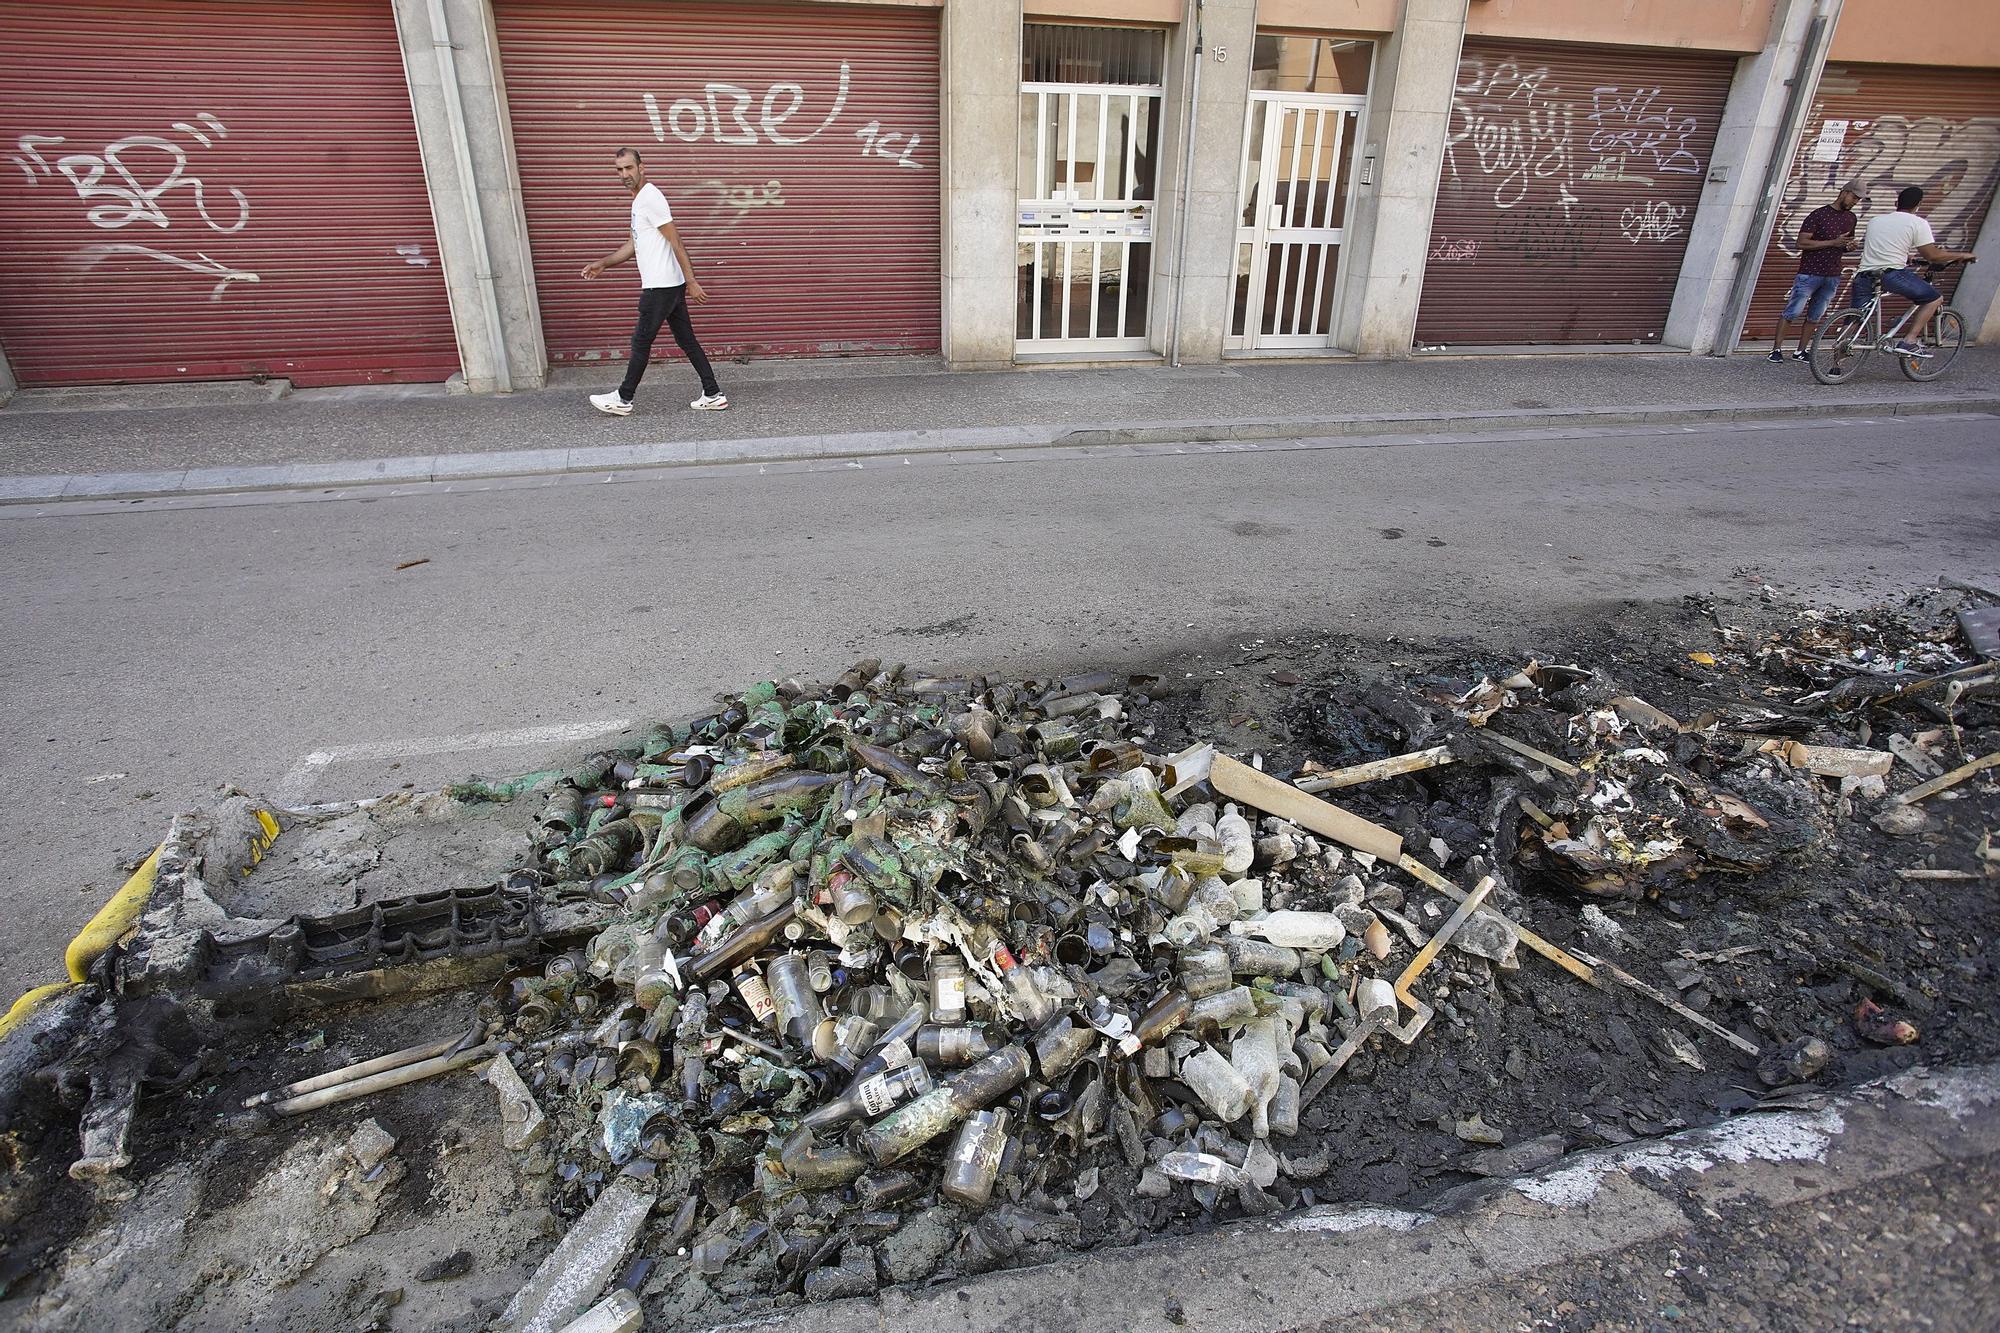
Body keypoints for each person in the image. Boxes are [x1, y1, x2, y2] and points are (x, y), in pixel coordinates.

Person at [582, 148, 727, 416]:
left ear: (641, 167)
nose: (624, 174)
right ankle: (713, 393)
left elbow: (677, 241)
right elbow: (633, 244)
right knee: (687, 341)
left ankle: (624, 398)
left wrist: (692, 280)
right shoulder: (639, 201)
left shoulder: (651, 198)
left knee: (641, 341)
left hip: (660, 287)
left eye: (629, 168)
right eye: (619, 170)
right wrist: (604, 262)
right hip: (668, 285)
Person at [1850, 184, 1978, 357]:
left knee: (1855, 318)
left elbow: (1886, 245)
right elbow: (1932, 255)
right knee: (1934, 299)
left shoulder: (1876, 220)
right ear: (1918, 205)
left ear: (1896, 202)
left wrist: (1905, 256)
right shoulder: (1918, 223)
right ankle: (1909, 341)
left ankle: (1836, 364)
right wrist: (1961, 255)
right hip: (1892, 274)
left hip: (1864, 274)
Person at [1769, 185, 1859, 363]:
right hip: (1810, 272)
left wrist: (1848, 247)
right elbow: (1801, 243)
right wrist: (1833, 242)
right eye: (1854, 197)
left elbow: (1843, 244)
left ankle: (1801, 351)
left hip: (1832, 273)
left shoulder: (1851, 218)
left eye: (1858, 200)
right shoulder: (1818, 215)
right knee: (1792, 311)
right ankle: (1776, 350)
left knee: (1815, 315)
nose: (1855, 202)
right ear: (1844, 193)